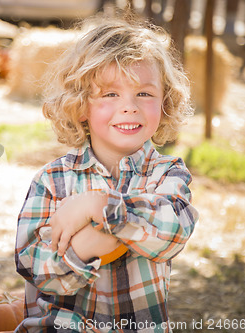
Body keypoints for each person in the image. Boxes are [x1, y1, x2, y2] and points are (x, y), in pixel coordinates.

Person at [14, 13, 199, 333]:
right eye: (110, 94)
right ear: (81, 103)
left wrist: (97, 206)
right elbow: (33, 267)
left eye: (144, 93)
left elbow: (172, 232)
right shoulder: (52, 180)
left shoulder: (166, 174)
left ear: (165, 102)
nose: (129, 106)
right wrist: (92, 244)